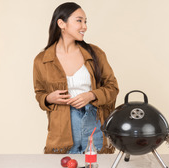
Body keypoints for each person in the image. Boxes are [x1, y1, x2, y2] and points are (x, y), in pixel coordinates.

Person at [33, 2, 119, 154]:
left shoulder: (95, 53)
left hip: (94, 123)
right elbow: (39, 93)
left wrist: (91, 95)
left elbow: (112, 87)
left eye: (85, 21)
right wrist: (48, 98)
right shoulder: (42, 60)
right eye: (79, 20)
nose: (84, 26)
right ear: (61, 23)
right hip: (61, 133)